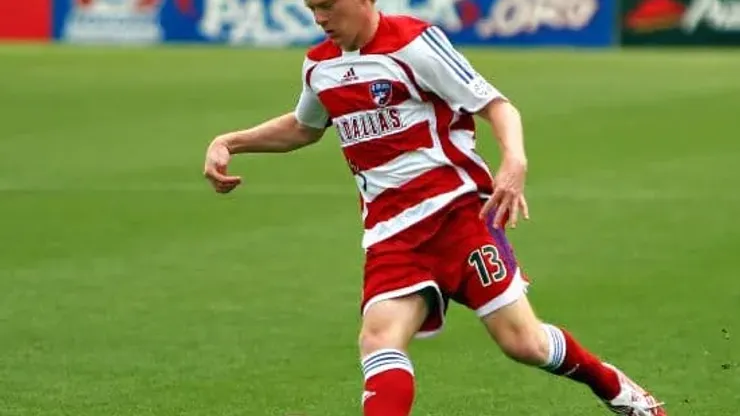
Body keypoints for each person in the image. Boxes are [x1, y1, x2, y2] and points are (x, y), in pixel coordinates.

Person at [202, 0, 667, 415]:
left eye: (327, 6)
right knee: (378, 339)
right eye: (311, 9)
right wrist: (230, 142)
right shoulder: (319, 65)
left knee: (524, 343)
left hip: (459, 217)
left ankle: (617, 390)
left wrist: (514, 160)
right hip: (391, 234)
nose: (320, 18)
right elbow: (305, 127)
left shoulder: (414, 43)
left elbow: (497, 106)